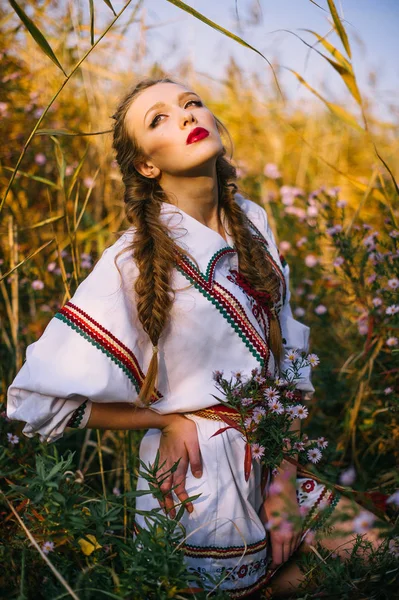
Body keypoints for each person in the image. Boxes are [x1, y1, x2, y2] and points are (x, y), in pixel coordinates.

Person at [7, 77, 385, 598]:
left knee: (381, 552)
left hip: (273, 461)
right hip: (201, 483)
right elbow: (33, 401)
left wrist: (285, 480)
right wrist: (165, 418)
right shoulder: (132, 259)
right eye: (158, 119)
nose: (186, 117)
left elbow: (290, 359)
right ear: (146, 165)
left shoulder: (254, 222)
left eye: (192, 104)